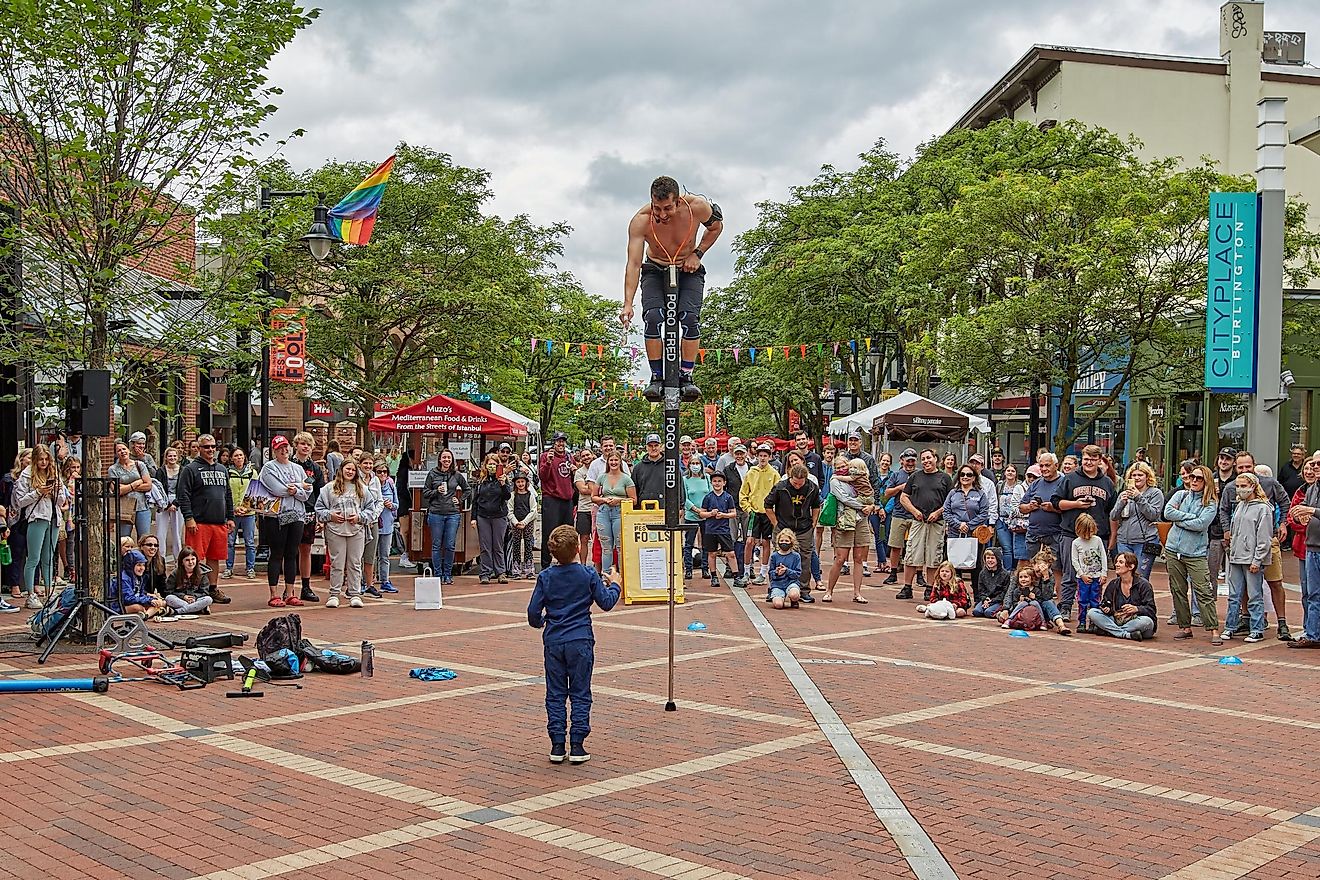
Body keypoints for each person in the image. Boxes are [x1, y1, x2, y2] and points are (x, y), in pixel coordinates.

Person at [621, 176, 723, 402]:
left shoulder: (696, 207)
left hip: (688, 268)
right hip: (655, 268)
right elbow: (634, 264)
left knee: (688, 318)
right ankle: (656, 377)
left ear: (678, 201)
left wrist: (698, 254)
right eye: (657, 208)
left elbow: (716, 227)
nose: (662, 214)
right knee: (654, 317)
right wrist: (627, 303)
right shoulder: (641, 220)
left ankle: (686, 376)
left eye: (668, 208)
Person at [527, 524, 621, 765]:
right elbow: (607, 602)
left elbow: (533, 613)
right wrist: (616, 584)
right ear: (578, 547)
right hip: (580, 638)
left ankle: (557, 744)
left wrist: (542, 623)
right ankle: (578, 744)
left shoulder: (546, 577)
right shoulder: (588, 574)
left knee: (555, 693)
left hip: (555, 639)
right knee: (580, 692)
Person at [1219, 450, 1293, 640]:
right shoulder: (1232, 492)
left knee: (1273, 584)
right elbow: (1224, 510)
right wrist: (1228, 533)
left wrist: (1283, 523)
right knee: (1237, 592)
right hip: (1238, 552)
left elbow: (1285, 503)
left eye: (1248, 467)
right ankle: (1240, 622)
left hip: (1265, 547)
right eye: (1241, 467)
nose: (1244, 470)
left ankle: (1279, 623)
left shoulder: (1268, 488)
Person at [1051, 444, 1116, 623]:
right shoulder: (1070, 479)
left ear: (1099, 461)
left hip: (1098, 536)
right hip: (1071, 533)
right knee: (1070, 573)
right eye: (1086, 459)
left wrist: (1112, 536)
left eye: (1093, 459)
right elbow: (1056, 503)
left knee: (1096, 575)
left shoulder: (1107, 483)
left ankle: (1094, 611)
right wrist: (1076, 504)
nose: (1089, 462)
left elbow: (1112, 512)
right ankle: (1065, 607)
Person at [1164, 464, 1222, 644]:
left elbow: (1201, 524)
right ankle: (1185, 627)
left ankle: (1213, 629)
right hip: (1173, 549)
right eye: (1192, 477)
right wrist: (1188, 518)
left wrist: (1179, 519)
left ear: (1207, 482)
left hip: (1195, 553)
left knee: (1204, 590)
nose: (1194, 481)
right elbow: (1167, 513)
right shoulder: (1180, 495)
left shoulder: (1210, 503)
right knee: (1178, 589)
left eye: (1199, 478)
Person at [175, 434, 234, 605]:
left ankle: (212, 588)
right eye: (206, 447)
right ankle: (195, 588)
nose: (210, 450)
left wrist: (230, 517)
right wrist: (188, 517)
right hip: (199, 521)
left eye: (213, 446)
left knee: (215, 557)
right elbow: (183, 495)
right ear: (199, 448)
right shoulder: (190, 469)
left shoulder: (222, 469)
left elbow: (227, 494)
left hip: (218, 521)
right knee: (194, 558)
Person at [258, 435, 312, 607]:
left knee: (292, 553)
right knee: (277, 553)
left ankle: (290, 592)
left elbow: (307, 491)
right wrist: (299, 487)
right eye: (280, 447)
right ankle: (274, 593)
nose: (284, 450)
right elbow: (278, 490)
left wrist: (295, 489)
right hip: (276, 516)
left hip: (297, 515)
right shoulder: (269, 468)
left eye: (286, 447)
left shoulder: (297, 468)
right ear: (274, 450)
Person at [1221, 472, 1275, 643]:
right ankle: (1230, 626)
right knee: (1234, 595)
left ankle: (1257, 628)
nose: (1240, 489)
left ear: (1253, 486)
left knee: (1254, 595)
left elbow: (1264, 537)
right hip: (1237, 556)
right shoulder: (1239, 505)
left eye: (1244, 486)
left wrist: (1257, 559)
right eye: (1238, 486)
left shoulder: (1263, 508)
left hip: (1251, 558)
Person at [899, 449, 954, 600]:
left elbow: (951, 500)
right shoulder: (915, 476)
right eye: (923, 459)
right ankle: (907, 587)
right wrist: (914, 511)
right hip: (918, 521)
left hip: (937, 522)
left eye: (929, 458)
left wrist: (938, 512)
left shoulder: (945, 478)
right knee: (911, 554)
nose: (926, 461)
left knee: (933, 556)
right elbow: (904, 497)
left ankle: (930, 588)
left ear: (935, 459)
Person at [13, 444, 63, 609]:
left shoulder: (54, 474)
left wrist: (55, 492)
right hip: (36, 517)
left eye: (46, 459)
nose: (43, 462)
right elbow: (20, 501)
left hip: (53, 518)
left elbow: (63, 499)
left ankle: (49, 591)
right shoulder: (26, 476)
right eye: (40, 459)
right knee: (33, 558)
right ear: (34, 460)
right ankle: (31, 595)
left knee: (48, 558)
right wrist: (38, 492)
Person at [763, 463, 821, 603]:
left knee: (805, 558)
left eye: (800, 484)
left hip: (804, 527)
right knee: (778, 557)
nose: (797, 486)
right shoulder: (780, 487)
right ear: (790, 477)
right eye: (795, 483)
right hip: (783, 526)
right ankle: (774, 588)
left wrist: (813, 523)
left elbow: (816, 506)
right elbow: (767, 504)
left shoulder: (812, 488)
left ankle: (804, 590)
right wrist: (775, 523)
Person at [316, 458, 369, 608]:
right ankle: (334, 594)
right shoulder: (328, 488)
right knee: (337, 563)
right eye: (347, 469)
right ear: (341, 469)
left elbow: (372, 508)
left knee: (355, 563)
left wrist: (360, 517)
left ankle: (355, 593)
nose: (350, 472)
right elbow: (319, 508)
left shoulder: (362, 489)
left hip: (356, 530)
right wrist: (330, 516)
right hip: (335, 530)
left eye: (353, 470)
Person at [825, 456, 875, 604]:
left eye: (844, 466)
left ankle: (857, 593)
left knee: (859, 557)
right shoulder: (835, 480)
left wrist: (871, 506)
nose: (842, 469)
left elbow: (869, 493)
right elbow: (844, 498)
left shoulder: (857, 476)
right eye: (838, 467)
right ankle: (829, 590)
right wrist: (863, 507)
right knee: (840, 558)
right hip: (844, 520)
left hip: (861, 520)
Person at [1287, 454, 1320, 649]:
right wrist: (1299, 517)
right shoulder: (1312, 488)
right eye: (1313, 464)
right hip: (1312, 547)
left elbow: (1311, 510)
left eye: (1318, 464)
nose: (1315, 467)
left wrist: (1311, 511)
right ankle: (1313, 634)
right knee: (1312, 594)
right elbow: (1301, 515)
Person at [943, 464, 990, 599]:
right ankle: (955, 594)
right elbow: (946, 512)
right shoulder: (953, 493)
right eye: (962, 474)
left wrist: (969, 525)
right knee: (954, 565)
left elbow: (984, 513)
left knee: (976, 566)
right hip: (955, 534)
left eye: (969, 475)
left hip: (974, 535)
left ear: (974, 477)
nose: (965, 477)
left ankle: (977, 595)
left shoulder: (980, 494)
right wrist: (958, 525)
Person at [1086, 551, 1157, 642]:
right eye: (1116, 562)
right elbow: (1106, 603)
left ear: (1131, 566)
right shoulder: (1113, 584)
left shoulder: (1144, 585)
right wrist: (1107, 608)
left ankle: (1109, 631)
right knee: (1092, 612)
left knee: (1147, 622)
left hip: (1136, 621)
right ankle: (1125, 634)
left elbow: (1151, 610)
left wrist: (1137, 609)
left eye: (1121, 562)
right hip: (1117, 620)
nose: (1116, 564)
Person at [1111, 462, 1164, 581]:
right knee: (1124, 575)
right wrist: (1121, 503)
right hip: (1124, 541)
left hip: (1145, 541)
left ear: (1147, 476)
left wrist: (1138, 497)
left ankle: (1140, 600)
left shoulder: (1155, 493)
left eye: (1140, 475)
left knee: (1140, 577)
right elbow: (1113, 516)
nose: (1136, 478)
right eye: (1133, 475)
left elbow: (1153, 514)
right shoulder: (1124, 494)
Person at [421, 449, 467, 586]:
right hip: (436, 513)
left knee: (450, 545)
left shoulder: (456, 475)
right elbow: (425, 492)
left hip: (452, 513)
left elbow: (468, 489)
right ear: (440, 459)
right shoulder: (432, 474)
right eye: (444, 458)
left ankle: (448, 574)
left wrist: (459, 500)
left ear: (452, 460)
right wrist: (436, 491)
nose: (447, 460)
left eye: (449, 458)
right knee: (436, 545)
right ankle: (438, 574)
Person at [739, 443, 780, 586]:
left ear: (769, 457)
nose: (762, 458)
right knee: (749, 541)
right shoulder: (751, 472)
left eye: (765, 455)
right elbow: (743, 494)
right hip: (754, 513)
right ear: (756, 456)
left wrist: (774, 511)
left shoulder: (774, 474)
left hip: (768, 513)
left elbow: (778, 494)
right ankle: (745, 572)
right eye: (760, 455)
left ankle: (763, 573)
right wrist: (748, 509)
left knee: (765, 542)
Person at [471, 453, 513, 585]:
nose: (492, 466)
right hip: (483, 516)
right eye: (490, 464)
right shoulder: (481, 481)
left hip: (499, 516)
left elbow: (507, 497)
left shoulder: (503, 479)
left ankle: (501, 572)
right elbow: (475, 501)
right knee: (485, 546)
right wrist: (473, 518)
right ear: (486, 465)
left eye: (494, 464)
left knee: (498, 545)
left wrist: (502, 484)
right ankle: (485, 573)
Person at [537, 432, 575, 571]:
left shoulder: (569, 457)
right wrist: (548, 462)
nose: (561, 444)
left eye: (563, 441)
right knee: (549, 533)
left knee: (567, 533)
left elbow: (573, 479)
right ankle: (545, 564)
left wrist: (574, 471)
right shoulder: (545, 456)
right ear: (553, 443)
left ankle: (565, 562)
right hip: (552, 498)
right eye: (558, 441)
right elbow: (543, 477)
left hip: (567, 499)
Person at [882, 448, 918, 586]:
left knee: (916, 547)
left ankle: (919, 575)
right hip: (899, 514)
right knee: (896, 545)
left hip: (916, 514)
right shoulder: (896, 475)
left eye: (912, 461)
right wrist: (900, 487)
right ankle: (893, 572)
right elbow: (887, 493)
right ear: (902, 461)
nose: (910, 463)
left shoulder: (920, 474)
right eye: (908, 460)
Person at [697, 470, 739, 587]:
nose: (717, 483)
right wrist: (711, 514)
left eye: (719, 481)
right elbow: (702, 513)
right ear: (711, 483)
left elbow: (733, 513)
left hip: (724, 530)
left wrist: (724, 515)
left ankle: (736, 576)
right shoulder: (708, 497)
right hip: (710, 530)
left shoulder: (728, 497)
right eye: (715, 481)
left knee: (731, 553)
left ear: (724, 483)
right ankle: (714, 576)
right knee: (712, 553)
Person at [107, 440, 153, 541]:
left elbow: (148, 485)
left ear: (128, 450)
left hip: (142, 507)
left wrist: (125, 487)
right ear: (115, 454)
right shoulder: (113, 469)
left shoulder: (139, 465)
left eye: (124, 449)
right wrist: (136, 483)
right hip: (124, 508)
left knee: (144, 539)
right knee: (124, 540)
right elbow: (117, 491)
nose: (122, 452)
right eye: (119, 450)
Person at [1070, 513, 1108, 632]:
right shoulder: (1076, 543)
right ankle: (1081, 621)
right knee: (1082, 600)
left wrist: (1104, 573)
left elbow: (1103, 556)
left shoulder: (1097, 540)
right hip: (1084, 578)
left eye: (1090, 532)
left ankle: (1094, 622)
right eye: (1085, 533)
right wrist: (1081, 574)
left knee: (1095, 600)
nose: (1088, 536)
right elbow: (1074, 560)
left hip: (1097, 576)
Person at [224, 447, 257, 580]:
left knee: (249, 541)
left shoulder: (252, 473)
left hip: (248, 513)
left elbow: (255, 492)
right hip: (232, 513)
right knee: (230, 542)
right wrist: (233, 508)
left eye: (241, 455)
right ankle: (228, 568)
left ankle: (250, 568)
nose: (239, 458)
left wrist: (245, 507)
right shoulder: (227, 473)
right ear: (232, 458)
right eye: (236, 456)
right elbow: (225, 493)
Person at [108, 548, 169, 619]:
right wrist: (149, 600)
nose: (142, 568)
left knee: (160, 603)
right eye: (139, 565)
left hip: (134, 601)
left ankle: (145, 615)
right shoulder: (123, 578)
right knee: (138, 608)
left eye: (143, 565)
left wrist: (152, 599)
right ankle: (149, 613)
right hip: (119, 606)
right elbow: (127, 598)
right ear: (131, 565)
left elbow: (141, 594)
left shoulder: (140, 577)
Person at [721, 444, 751, 586]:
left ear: (746, 454)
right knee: (731, 538)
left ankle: (747, 567)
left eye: (742, 454)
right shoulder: (728, 469)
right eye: (737, 454)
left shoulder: (752, 468)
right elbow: (724, 489)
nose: (739, 456)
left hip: (748, 508)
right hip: (733, 508)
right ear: (733, 454)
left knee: (748, 539)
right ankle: (729, 567)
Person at [681, 458, 712, 580]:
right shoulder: (685, 480)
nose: (695, 466)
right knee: (688, 544)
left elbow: (710, 494)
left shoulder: (707, 478)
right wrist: (696, 510)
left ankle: (705, 568)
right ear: (688, 466)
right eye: (692, 463)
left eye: (697, 463)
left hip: (706, 516)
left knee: (705, 544)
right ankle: (688, 569)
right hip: (691, 515)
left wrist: (704, 511)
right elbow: (684, 498)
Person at [152, 447, 185, 562]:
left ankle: (179, 559)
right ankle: (161, 559)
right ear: (166, 457)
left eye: (174, 456)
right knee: (161, 532)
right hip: (163, 502)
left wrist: (176, 503)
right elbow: (157, 488)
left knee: (177, 533)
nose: (172, 458)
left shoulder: (183, 470)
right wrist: (165, 504)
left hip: (178, 503)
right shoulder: (160, 471)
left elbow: (184, 489)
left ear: (178, 457)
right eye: (170, 456)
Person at [996, 464, 1029, 573]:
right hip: (1002, 520)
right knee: (1007, 548)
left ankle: (1016, 573)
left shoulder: (1020, 486)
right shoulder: (1000, 485)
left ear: (1016, 473)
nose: (1010, 473)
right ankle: (1007, 573)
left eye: (1013, 471)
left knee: (1016, 549)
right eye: (1008, 470)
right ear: (1004, 472)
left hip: (1017, 522)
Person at [164, 547, 215, 615]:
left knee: (208, 599)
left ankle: (177, 611)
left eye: (193, 559)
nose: (191, 562)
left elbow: (204, 592)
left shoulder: (202, 573)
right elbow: (169, 591)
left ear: (196, 560)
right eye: (187, 560)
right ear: (182, 562)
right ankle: (197, 609)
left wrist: (194, 597)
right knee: (169, 598)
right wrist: (183, 596)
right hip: (180, 600)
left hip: (196, 600)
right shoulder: (175, 574)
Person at [374, 461, 399, 593]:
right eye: (379, 471)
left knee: (385, 555)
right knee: (370, 556)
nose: (382, 474)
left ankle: (385, 580)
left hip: (387, 524)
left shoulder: (390, 485)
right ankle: (367, 581)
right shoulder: (371, 485)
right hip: (374, 524)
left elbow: (397, 504)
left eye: (385, 471)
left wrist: (391, 506)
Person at [508, 472, 539, 579]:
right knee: (516, 545)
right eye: (518, 482)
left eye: (522, 482)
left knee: (528, 545)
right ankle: (516, 569)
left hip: (528, 522)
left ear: (526, 483)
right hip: (516, 522)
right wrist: (515, 522)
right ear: (515, 483)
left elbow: (533, 510)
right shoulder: (513, 496)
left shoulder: (530, 495)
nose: (520, 484)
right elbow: (509, 510)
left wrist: (525, 522)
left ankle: (529, 569)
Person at [767, 529, 802, 609]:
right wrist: (776, 572)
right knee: (778, 605)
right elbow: (770, 573)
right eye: (782, 540)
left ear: (791, 542)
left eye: (786, 541)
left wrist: (787, 571)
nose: (784, 543)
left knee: (794, 594)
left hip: (791, 582)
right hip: (778, 584)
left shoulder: (796, 556)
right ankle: (776, 596)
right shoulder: (774, 556)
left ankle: (794, 600)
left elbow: (797, 574)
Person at [631, 433, 667, 506]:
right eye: (650, 446)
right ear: (646, 447)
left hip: (665, 509)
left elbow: (679, 486)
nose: (653, 448)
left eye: (656, 445)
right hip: (643, 509)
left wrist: (680, 506)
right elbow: (634, 489)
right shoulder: (638, 468)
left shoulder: (670, 466)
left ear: (660, 446)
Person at [572, 450, 595, 565]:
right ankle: (583, 564)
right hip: (583, 509)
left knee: (598, 540)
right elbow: (582, 490)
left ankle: (597, 566)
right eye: (583, 456)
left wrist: (588, 488)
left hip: (597, 508)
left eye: (588, 455)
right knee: (583, 539)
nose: (586, 457)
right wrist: (597, 488)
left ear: (592, 455)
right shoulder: (579, 472)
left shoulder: (598, 468)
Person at [972, 548, 1008, 618]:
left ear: (997, 559)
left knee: (988, 613)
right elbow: (981, 590)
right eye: (988, 558)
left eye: (992, 558)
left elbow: (1004, 592)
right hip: (986, 599)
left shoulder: (1004, 574)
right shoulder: (982, 573)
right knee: (976, 612)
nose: (990, 560)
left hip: (998, 600)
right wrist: (985, 599)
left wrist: (993, 600)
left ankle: (998, 610)